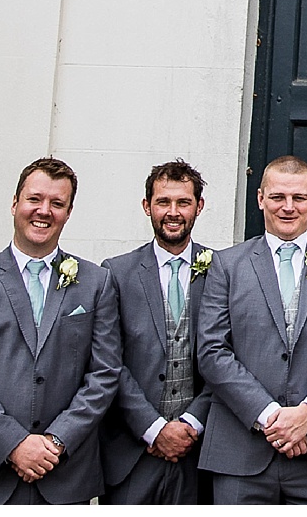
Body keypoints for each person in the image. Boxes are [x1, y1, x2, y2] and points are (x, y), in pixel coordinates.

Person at [0, 157, 124, 504]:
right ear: (15, 203)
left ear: (68, 212)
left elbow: (105, 374)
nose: (44, 211)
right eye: (35, 199)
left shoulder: (96, 283)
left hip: (63, 475)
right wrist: (14, 443)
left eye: (57, 203)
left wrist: (56, 441)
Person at [194, 155, 307, 504]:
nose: (288, 207)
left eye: (299, 198)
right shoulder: (226, 265)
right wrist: (271, 418)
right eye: (277, 197)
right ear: (260, 198)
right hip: (241, 452)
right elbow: (212, 351)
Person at [100, 159, 216, 505]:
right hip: (131, 452)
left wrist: (192, 423)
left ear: (199, 206)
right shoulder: (116, 273)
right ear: (147, 206)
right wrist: (154, 428)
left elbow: (229, 357)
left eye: (183, 202)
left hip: (200, 453)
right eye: (163, 202)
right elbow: (108, 361)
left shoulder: (223, 271)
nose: (173, 212)